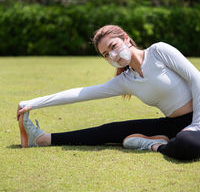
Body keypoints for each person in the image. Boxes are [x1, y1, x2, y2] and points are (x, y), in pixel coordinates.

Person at [17, 25, 200, 161]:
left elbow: (196, 79)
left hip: (197, 119)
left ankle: (154, 145)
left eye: (113, 46)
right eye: (106, 54)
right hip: (175, 125)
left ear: (126, 38)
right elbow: (81, 93)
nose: (113, 55)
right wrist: (34, 102)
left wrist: (196, 124)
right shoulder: (126, 80)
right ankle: (42, 139)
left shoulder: (159, 52)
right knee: (109, 131)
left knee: (187, 144)